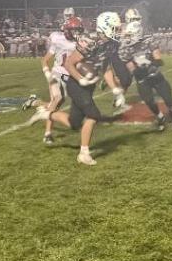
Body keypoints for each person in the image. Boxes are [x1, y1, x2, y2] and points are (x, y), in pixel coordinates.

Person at [32, 11, 122, 165]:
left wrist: (115, 90)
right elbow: (69, 64)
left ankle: (46, 114)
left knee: (74, 123)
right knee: (94, 115)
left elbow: (106, 69)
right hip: (76, 83)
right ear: (105, 26)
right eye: (114, 27)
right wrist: (81, 79)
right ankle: (84, 153)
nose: (117, 30)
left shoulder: (111, 44)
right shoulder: (90, 41)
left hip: (88, 86)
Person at [121, 17, 172, 130]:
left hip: (155, 75)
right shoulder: (125, 48)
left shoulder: (149, 41)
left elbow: (158, 59)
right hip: (142, 78)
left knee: (168, 98)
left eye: (130, 34)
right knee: (148, 100)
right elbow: (132, 69)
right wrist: (139, 68)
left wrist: (149, 62)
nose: (128, 37)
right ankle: (160, 117)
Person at [37, 16, 83, 145]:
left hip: (70, 76)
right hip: (57, 73)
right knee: (57, 98)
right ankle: (48, 133)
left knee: (60, 101)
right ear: (68, 30)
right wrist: (48, 75)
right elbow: (44, 60)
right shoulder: (58, 40)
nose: (76, 33)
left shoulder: (79, 43)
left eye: (78, 30)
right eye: (74, 30)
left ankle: (36, 103)